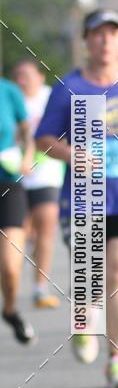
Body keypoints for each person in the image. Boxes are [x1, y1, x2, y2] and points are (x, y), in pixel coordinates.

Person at [36, 9, 118, 388]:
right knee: (89, 281)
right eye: (98, 35)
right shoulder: (69, 87)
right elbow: (44, 140)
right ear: (86, 41)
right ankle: (84, 321)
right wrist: (73, 154)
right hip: (85, 196)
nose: (105, 41)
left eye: (113, 34)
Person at [11, 58, 64, 309]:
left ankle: (39, 288)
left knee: (46, 225)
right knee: (17, 233)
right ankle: (11, 283)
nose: (23, 80)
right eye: (18, 75)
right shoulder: (8, 99)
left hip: (47, 174)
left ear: (40, 77)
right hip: (13, 175)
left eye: (27, 75)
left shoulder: (49, 97)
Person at [0, 75, 36, 344]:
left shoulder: (9, 90)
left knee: (10, 266)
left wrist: (26, 156)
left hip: (8, 184)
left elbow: (27, 134)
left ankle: (10, 310)